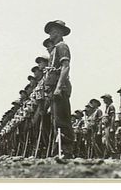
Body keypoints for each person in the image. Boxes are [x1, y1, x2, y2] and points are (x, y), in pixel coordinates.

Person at [44, 20, 73, 158]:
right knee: (56, 120)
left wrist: (59, 87)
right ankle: (59, 150)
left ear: (60, 32)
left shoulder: (62, 46)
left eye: (53, 31)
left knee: (62, 120)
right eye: (50, 31)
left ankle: (66, 151)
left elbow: (65, 67)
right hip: (53, 86)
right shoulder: (55, 49)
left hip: (59, 86)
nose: (50, 33)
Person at [100, 94, 116, 158]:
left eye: (105, 99)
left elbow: (112, 117)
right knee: (107, 140)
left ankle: (113, 154)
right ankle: (109, 154)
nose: (104, 100)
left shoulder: (111, 106)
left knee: (110, 140)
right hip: (106, 126)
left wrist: (112, 127)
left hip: (110, 125)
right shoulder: (107, 107)